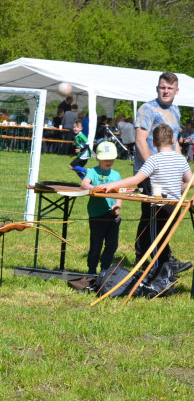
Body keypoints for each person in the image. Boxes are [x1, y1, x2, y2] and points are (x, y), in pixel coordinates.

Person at [95, 124, 191, 271]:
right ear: (173, 140)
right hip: (176, 207)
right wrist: (178, 189)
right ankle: (164, 269)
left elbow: (135, 180)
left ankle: (159, 273)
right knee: (162, 237)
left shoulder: (154, 160)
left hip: (158, 206)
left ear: (153, 142)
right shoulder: (181, 159)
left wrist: (111, 185)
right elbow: (190, 181)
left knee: (155, 240)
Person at [132, 72, 188, 275]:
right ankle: (147, 259)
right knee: (151, 215)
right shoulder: (147, 109)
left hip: (170, 173)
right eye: (162, 87)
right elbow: (140, 140)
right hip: (148, 172)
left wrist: (181, 170)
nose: (165, 91)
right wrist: (152, 170)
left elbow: (175, 143)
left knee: (166, 215)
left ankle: (161, 258)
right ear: (157, 88)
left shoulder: (175, 110)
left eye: (169, 88)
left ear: (176, 91)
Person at [80, 142, 122, 276]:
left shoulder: (116, 175)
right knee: (96, 245)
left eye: (111, 158)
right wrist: (93, 188)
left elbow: (119, 193)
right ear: (98, 158)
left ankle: (105, 269)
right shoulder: (93, 171)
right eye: (104, 159)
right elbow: (84, 183)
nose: (108, 161)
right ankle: (91, 269)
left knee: (112, 245)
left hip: (113, 215)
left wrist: (118, 205)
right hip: (97, 214)